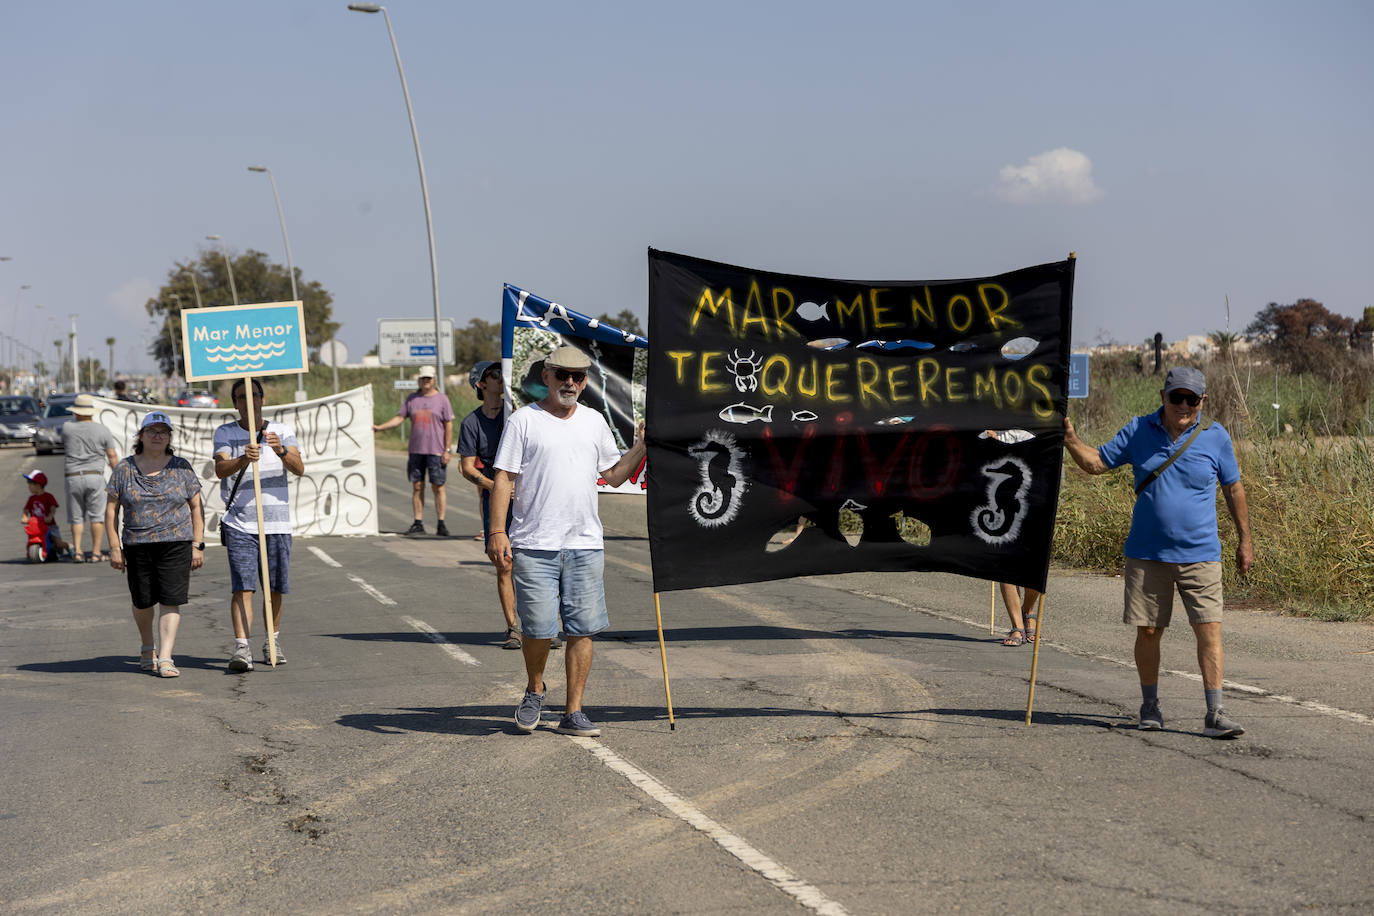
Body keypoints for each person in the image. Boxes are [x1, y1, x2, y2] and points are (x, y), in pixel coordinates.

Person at [1062, 366, 1254, 738]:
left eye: (1192, 399)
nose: (1184, 405)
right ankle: (1149, 706)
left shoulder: (1215, 438)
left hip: (1201, 555)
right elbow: (1097, 463)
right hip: (1147, 554)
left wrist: (1245, 540)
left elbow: (1234, 489)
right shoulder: (1138, 430)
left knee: (1209, 632)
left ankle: (1215, 713)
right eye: (1176, 397)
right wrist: (1070, 439)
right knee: (1149, 630)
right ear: (1163, 397)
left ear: (1203, 401)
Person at [488, 346, 646, 737]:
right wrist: (496, 532)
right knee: (539, 630)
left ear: (586, 381)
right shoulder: (525, 421)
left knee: (582, 629)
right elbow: (504, 478)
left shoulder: (594, 422)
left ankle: (573, 711)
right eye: (562, 375)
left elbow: (613, 474)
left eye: (577, 377)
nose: (570, 383)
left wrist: (643, 444)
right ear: (546, 376)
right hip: (534, 544)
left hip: (585, 544)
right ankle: (535, 689)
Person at [213, 378, 305, 672]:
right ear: (234, 403)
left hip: (276, 523)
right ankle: (242, 647)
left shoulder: (282, 431)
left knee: (275, 587)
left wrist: (279, 450)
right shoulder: (225, 432)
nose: (247, 401)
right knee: (243, 587)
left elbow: (299, 468)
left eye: (253, 395)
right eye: (241, 397)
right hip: (241, 523)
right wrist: (242, 459)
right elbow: (220, 469)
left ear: (262, 400)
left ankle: (272, 640)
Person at [105, 411, 205, 678]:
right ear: (141, 435)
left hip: (176, 543)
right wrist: (115, 547)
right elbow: (111, 510)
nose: (158, 436)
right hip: (137, 543)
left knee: (171, 601)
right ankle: (147, 646)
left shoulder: (181, 467)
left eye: (163, 432)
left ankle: (166, 657)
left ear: (169, 437)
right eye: (152, 431)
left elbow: (196, 507)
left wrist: (198, 544)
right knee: (142, 601)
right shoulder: (124, 469)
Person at [458, 361, 523, 650]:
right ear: (481, 385)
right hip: (495, 502)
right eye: (493, 375)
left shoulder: (518, 417)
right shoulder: (471, 423)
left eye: (501, 373)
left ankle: (543, 627)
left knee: (535, 564)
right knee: (504, 564)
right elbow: (467, 468)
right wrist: (497, 487)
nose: (500, 378)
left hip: (527, 499)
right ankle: (514, 628)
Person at [373, 365, 453, 537]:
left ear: (434, 380)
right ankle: (418, 522)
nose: (426, 381)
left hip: (436, 451)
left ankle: (441, 522)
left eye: (429, 378)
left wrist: (447, 449)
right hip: (416, 450)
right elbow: (399, 418)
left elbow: (449, 424)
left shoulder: (442, 399)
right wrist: (380, 428)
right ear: (419, 380)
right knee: (417, 486)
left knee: (438, 486)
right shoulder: (412, 399)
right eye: (423, 378)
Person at [61, 393, 119, 562]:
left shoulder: (67, 428)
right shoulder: (103, 430)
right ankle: (95, 552)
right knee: (97, 516)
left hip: (73, 476)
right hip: (95, 476)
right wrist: (118, 475)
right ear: (92, 412)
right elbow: (112, 455)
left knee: (76, 517)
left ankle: (78, 551)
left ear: (76, 412)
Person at [19, 470, 73, 562]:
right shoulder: (32, 499)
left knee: (58, 542)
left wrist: (50, 516)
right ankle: (35, 551)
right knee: (30, 540)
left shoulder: (48, 496)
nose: (28, 486)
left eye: (30, 484)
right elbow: (26, 509)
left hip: (49, 525)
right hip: (36, 526)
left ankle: (67, 545)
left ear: (38, 485)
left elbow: (53, 508)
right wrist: (24, 516)